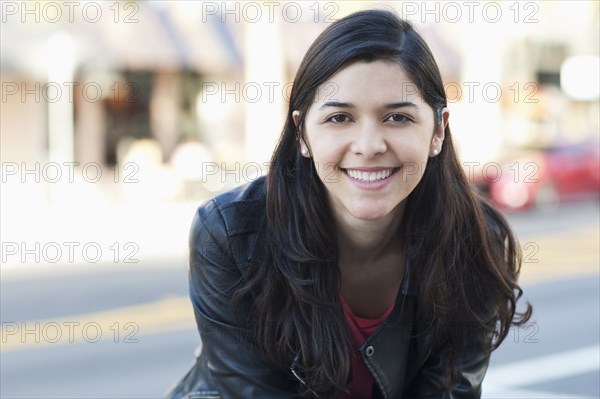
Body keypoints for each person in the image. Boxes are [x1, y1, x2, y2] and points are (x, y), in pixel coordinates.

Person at [166, 9, 532, 399]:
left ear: (438, 130)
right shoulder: (230, 233)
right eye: (340, 118)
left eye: (397, 117)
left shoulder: (477, 243)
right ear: (302, 134)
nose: (369, 146)